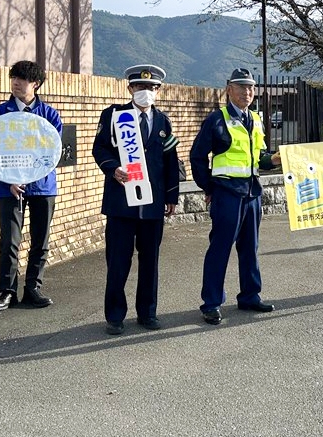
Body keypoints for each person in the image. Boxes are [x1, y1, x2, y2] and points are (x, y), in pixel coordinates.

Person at [92, 64, 180, 335]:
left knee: (150, 261)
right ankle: (115, 316)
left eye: (151, 87)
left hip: (152, 205)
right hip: (121, 202)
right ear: (130, 88)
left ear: (158, 91)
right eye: (140, 87)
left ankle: (148, 313)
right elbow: (100, 147)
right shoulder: (114, 115)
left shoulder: (163, 121)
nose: (146, 92)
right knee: (118, 261)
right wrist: (112, 167)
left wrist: (171, 196)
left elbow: (170, 161)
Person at [190, 68, 281, 325]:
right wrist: (209, 187)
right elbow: (197, 156)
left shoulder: (256, 119)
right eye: (241, 87)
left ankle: (250, 295)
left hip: (252, 193)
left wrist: (274, 159)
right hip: (227, 193)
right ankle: (211, 303)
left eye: (251, 87)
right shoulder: (217, 119)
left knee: (250, 248)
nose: (247, 92)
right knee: (220, 248)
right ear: (228, 89)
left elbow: (259, 156)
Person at [0, 60, 62, 311]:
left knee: (40, 239)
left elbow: (51, 153)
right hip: (8, 187)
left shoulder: (50, 115)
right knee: (9, 239)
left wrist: (29, 177)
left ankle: (33, 288)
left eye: (23, 79)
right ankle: (7, 291)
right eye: (14, 78)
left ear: (36, 84)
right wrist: (8, 180)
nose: (16, 83)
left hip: (43, 186)